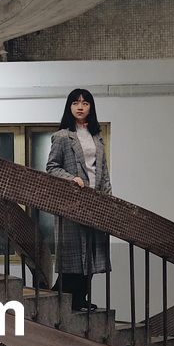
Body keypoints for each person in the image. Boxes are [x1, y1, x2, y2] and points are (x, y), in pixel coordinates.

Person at [45, 88, 112, 311]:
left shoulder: (97, 138)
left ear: (91, 107)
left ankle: (80, 298)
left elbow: (103, 172)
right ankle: (63, 298)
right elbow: (52, 167)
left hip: (95, 203)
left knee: (91, 254)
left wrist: (108, 201)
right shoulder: (63, 136)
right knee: (74, 255)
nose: (80, 107)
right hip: (73, 203)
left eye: (84, 103)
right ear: (69, 107)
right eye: (75, 103)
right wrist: (71, 178)